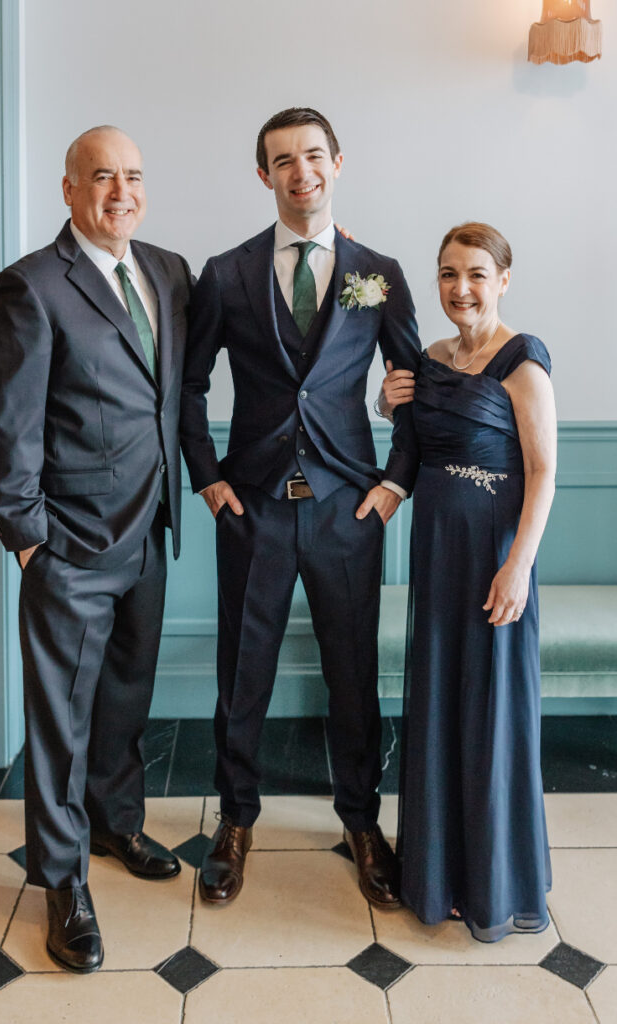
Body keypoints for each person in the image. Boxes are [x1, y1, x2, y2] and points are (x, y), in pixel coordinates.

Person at [180, 107, 421, 908]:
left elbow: (411, 384)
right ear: (264, 175)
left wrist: (393, 483)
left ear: (336, 164)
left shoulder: (377, 271)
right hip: (251, 505)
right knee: (241, 673)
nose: (300, 172)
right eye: (282, 160)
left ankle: (361, 823)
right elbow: (188, 385)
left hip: (348, 508)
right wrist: (208, 479)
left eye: (313, 156)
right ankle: (235, 821)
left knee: (352, 675)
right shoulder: (226, 272)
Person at [0, 126, 192, 973]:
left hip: (149, 536)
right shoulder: (31, 286)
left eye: (132, 176)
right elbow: (8, 424)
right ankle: (62, 883)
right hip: (69, 546)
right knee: (61, 723)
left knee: (124, 699)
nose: (120, 192)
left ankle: (115, 823)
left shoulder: (168, 272)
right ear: (69, 189)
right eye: (101, 176)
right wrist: (29, 543)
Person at [380, 222, 556, 942]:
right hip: (438, 557)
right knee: (440, 703)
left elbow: (543, 472)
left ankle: (491, 880)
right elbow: (416, 445)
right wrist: (388, 404)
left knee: (490, 708)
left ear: (502, 280)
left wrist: (517, 566)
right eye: (449, 274)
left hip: (493, 559)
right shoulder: (429, 359)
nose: (461, 288)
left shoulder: (523, 361)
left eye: (477, 274)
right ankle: (439, 872)